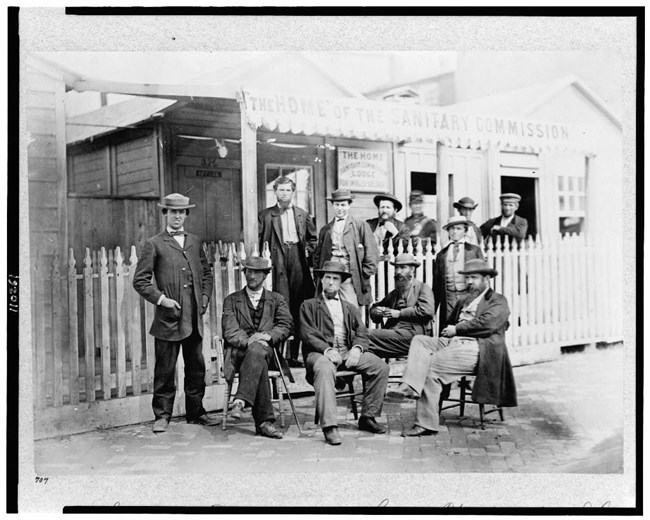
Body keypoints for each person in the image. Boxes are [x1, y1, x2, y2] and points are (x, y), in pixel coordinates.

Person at [387, 259, 518, 436]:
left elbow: (487, 323)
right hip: (455, 342)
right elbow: (450, 321)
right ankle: (409, 384)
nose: (470, 282)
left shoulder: (498, 301)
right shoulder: (465, 299)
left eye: (474, 278)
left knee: (430, 367)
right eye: (467, 278)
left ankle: (426, 424)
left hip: (477, 348)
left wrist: (457, 329)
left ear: (487, 279)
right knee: (420, 340)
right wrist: (449, 332)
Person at [133, 193, 217, 433]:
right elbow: (140, 281)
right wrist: (162, 300)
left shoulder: (195, 241)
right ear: (165, 214)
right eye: (173, 212)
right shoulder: (154, 244)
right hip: (168, 320)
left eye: (182, 212)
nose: (178, 216)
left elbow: (207, 273)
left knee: (196, 368)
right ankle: (162, 415)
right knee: (165, 370)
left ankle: (196, 412)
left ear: (186, 215)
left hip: (193, 318)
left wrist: (204, 298)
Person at [299, 261, 390, 445]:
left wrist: (357, 349)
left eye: (335, 279)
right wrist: (326, 349)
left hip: (347, 353)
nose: (331, 282)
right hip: (320, 354)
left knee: (380, 367)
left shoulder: (350, 308)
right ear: (321, 280)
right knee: (324, 369)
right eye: (327, 278)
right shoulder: (308, 305)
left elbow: (362, 332)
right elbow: (307, 333)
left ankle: (368, 417)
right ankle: (330, 426)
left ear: (341, 283)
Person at [221, 256, 294, 439]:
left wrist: (269, 336)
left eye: (256, 272)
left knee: (258, 353)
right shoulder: (232, 300)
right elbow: (230, 330)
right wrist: (249, 342)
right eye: (248, 271)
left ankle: (240, 401)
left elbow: (285, 325)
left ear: (265, 275)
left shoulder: (277, 299)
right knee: (256, 353)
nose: (251, 275)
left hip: (268, 353)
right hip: (239, 353)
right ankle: (263, 422)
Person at [258, 175, 317, 368]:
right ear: (275, 191)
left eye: (288, 190)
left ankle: (293, 356)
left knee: (299, 305)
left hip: (297, 259)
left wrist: (308, 249)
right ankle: (277, 356)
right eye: (281, 190)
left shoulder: (302, 214)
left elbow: (312, 239)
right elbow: (256, 241)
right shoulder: (265, 215)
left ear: (293, 192)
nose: (284, 193)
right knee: (280, 305)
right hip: (278, 259)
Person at [313, 188, 379, 308]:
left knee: (350, 307)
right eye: (337, 204)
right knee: (328, 307)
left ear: (349, 205)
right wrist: (319, 275)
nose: (340, 208)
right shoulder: (326, 229)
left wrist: (363, 273)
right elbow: (318, 255)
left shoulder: (360, 225)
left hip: (349, 274)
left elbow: (372, 251)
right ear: (332, 205)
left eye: (343, 205)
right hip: (330, 274)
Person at [367, 253, 435, 359]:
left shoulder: (422, 288)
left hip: (415, 336)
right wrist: (378, 312)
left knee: (365, 336)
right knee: (361, 339)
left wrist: (399, 313)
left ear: (412, 269)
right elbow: (375, 307)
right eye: (397, 268)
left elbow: (427, 311)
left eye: (403, 268)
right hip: (395, 334)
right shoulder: (395, 293)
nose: (398, 271)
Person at [433, 216, 484, 333]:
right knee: (447, 330)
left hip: (467, 296)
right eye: (452, 229)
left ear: (465, 231)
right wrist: (433, 310)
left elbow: (483, 279)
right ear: (448, 231)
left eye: (459, 228)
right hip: (448, 298)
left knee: (466, 327)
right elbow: (436, 284)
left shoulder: (474, 251)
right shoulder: (441, 254)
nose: (455, 232)